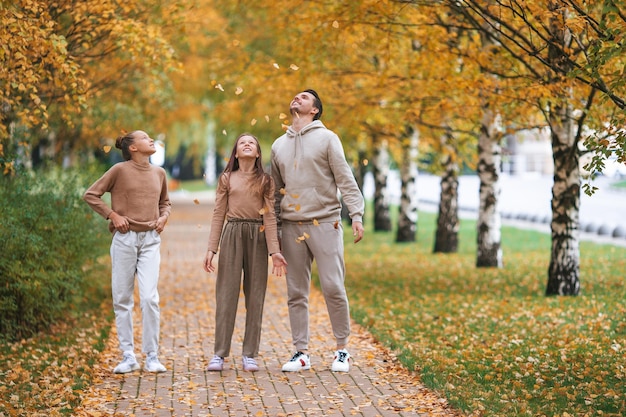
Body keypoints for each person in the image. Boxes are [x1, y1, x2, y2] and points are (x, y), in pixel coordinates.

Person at [270, 89, 365, 373]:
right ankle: (301, 352)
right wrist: (274, 231)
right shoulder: (278, 145)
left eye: (304, 97)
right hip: (291, 225)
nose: (296, 99)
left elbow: (344, 178)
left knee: (333, 287)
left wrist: (356, 214)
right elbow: (274, 192)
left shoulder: (328, 138)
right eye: (295, 96)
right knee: (296, 292)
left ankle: (342, 351)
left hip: (326, 221)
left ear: (315, 110)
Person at [83, 130, 171, 374]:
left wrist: (163, 218)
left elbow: (165, 203)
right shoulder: (119, 171)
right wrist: (113, 215)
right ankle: (128, 355)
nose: (151, 139)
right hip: (125, 239)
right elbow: (91, 195)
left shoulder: (159, 173)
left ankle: (152, 356)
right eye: (145, 138)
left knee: (150, 298)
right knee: (122, 299)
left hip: (151, 240)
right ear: (132, 148)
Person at [203, 133, 287, 372]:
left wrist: (274, 251)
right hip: (232, 234)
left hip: (257, 236)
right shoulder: (226, 178)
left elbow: (270, 217)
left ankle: (250, 353)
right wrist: (211, 248)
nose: (248, 144)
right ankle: (219, 354)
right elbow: (218, 213)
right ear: (236, 153)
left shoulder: (266, 181)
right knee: (226, 295)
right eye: (242, 142)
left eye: (252, 142)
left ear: (258, 153)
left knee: (255, 295)